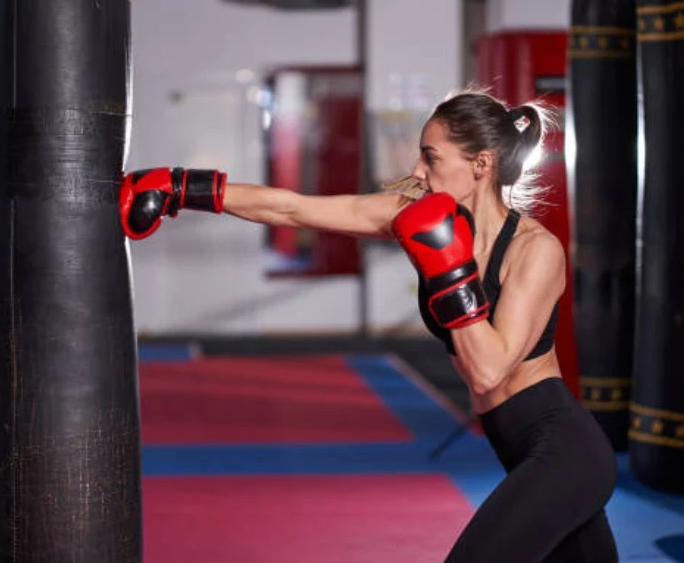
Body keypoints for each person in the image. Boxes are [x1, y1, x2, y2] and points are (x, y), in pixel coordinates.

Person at [118, 90, 619, 562]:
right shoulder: (411, 214)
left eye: (431, 157)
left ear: (480, 165)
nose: (416, 170)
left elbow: (488, 370)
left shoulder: (535, 250)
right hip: (517, 449)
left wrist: (449, 269)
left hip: (563, 451)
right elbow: (293, 207)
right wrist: (182, 187)